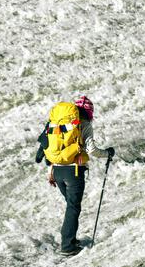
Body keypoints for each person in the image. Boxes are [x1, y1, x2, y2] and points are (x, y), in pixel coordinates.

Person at [40, 96, 115, 256]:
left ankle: (70, 240)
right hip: (73, 171)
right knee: (73, 207)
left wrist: (50, 171)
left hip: (56, 170)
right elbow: (92, 150)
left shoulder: (59, 123)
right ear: (89, 112)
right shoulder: (84, 124)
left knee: (71, 206)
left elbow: (48, 146)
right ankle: (67, 246)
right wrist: (108, 153)